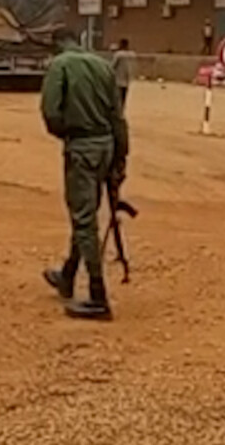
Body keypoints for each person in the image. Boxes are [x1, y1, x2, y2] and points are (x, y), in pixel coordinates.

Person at [40, 27, 129, 320]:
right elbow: (118, 116)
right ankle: (67, 274)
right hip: (107, 146)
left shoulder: (59, 65)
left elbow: (51, 113)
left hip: (82, 147)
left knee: (83, 219)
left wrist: (69, 133)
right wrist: (119, 160)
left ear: (56, 44)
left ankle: (97, 295)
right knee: (86, 212)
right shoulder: (103, 65)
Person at [111, 38, 135, 110]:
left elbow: (113, 65)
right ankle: (122, 109)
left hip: (118, 78)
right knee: (124, 96)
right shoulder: (132, 55)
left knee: (117, 96)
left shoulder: (118, 55)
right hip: (127, 78)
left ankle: (117, 109)